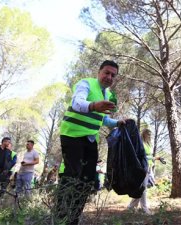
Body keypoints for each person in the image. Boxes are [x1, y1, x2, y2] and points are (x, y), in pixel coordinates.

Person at [56, 60, 125, 225]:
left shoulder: (107, 95)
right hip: (72, 136)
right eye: (106, 73)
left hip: (90, 139)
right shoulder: (85, 84)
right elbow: (77, 103)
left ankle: (73, 218)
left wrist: (118, 123)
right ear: (99, 72)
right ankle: (60, 216)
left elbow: (104, 120)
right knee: (72, 176)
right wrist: (93, 105)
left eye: (113, 75)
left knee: (87, 181)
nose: (109, 77)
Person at [127, 129, 161, 215]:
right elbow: (142, 156)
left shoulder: (148, 144)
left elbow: (148, 156)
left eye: (150, 134)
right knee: (143, 188)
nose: (150, 136)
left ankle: (131, 207)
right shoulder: (140, 143)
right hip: (142, 167)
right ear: (144, 134)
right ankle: (144, 209)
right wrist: (154, 158)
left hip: (148, 167)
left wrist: (153, 162)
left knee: (141, 188)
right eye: (148, 134)